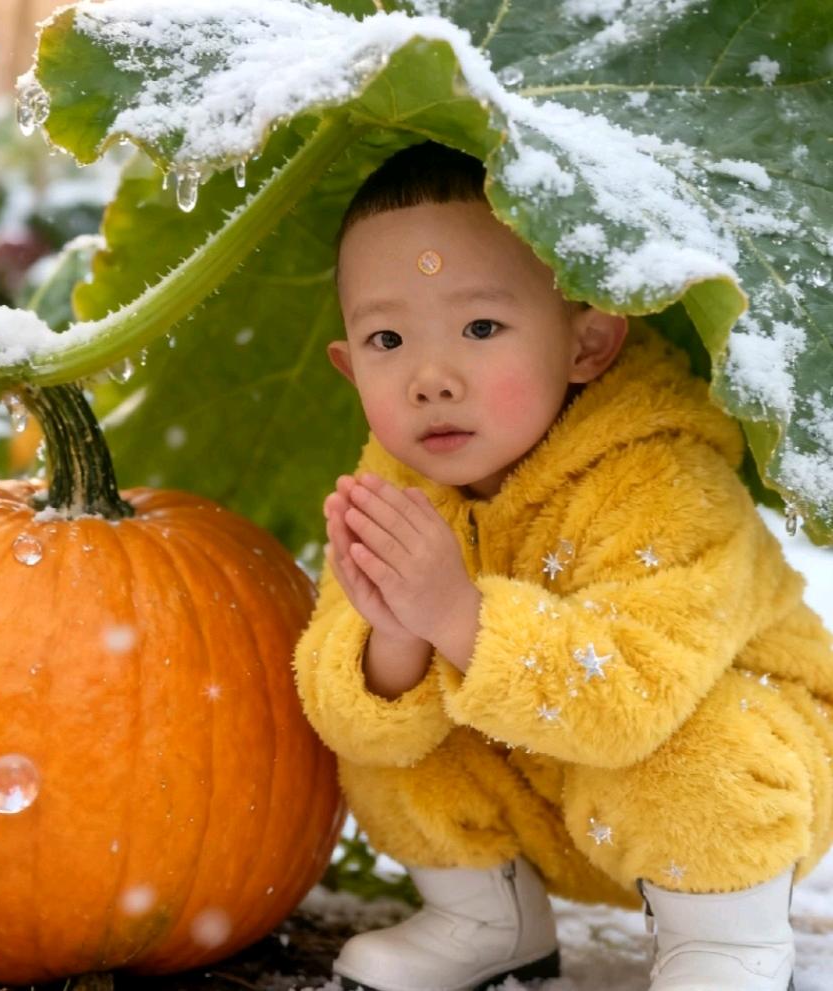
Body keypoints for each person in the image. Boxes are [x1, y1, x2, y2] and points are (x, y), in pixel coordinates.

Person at [291, 140, 833, 991]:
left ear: (588, 343)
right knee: (377, 711)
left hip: (730, 795)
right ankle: (485, 915)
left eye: (480, 327)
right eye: (388, 338)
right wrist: (392, 638)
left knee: (700, 738)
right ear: (348, 365)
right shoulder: (390, 488)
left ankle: (728, 943)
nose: (431, 376)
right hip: (542, 799)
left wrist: (456, 618)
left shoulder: (666, 474)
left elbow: (630, 698)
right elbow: (348, 716)